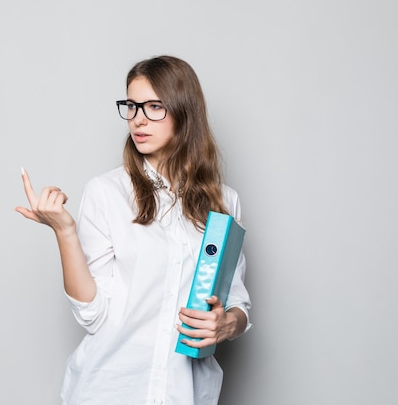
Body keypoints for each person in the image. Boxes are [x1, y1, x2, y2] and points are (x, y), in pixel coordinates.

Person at [15, 55, 251, 405]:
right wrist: (65, 233)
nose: (138, 119)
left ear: (184, 112)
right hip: (111, 390)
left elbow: (237, 302)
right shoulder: (106, 192)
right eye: (131, 105)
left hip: (185, 395)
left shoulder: (224, 203)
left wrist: (229, 323)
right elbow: (92, 315)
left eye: (154, 106)